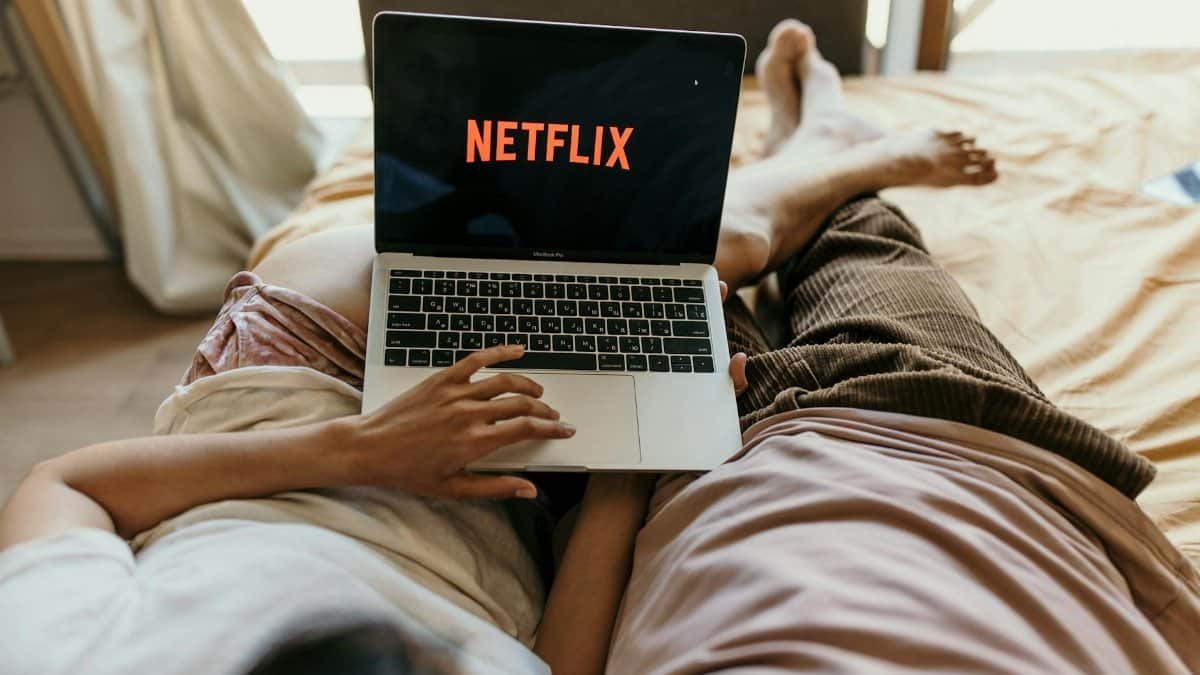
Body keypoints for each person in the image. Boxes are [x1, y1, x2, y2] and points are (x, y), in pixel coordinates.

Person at [4, 18, 1175, 675]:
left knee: (588, 249)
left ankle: (814, 157)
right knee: (671, 269)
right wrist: (629, 468)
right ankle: (819, 154)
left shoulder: (59, 655)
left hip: (290, 405)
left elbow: (66, 482)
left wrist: (362, 448)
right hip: (505, 486)